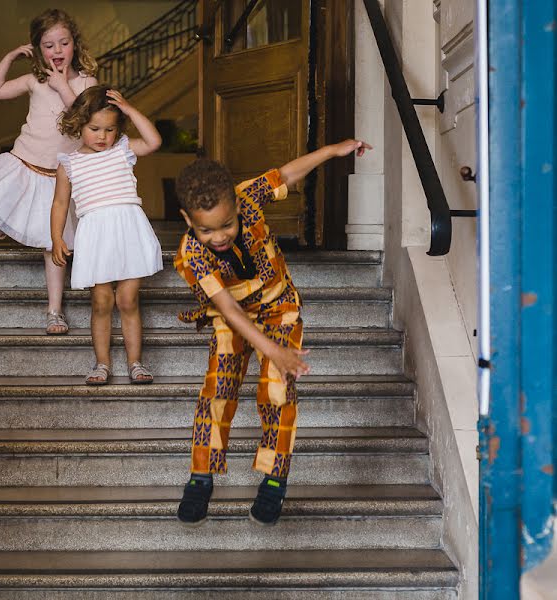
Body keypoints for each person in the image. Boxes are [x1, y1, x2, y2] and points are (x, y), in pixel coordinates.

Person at [173, 139, 372, 526]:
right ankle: (201, 477)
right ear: (187, 220)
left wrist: (332, 152)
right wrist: (272, 350)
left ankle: (275, 479)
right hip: (232, 318)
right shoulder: (190, 256)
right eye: (206, 229)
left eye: (227, 224)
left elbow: (288, 173)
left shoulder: (248, 198)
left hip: (279, 307)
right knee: (218, 389)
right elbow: (229, 311)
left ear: (236, 204)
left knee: (277, 390)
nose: (219, 237)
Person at [0, 8, 98, 335]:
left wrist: (63, 85)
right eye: (49, 45)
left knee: (54, 245)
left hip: (60, 179)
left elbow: (84, 116)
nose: (58, 51)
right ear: (38, 49)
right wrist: (9, 58)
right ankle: (6, 220)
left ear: (74, 44)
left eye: (64, 43)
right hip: (24, 164)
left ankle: (54, 312)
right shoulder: (35, 80)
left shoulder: (87, 82)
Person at [51, 85, 163, 385]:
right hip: (96, 237)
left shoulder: (123, 150)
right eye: (94, 128)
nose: (102, 136)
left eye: (110, 129)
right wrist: (57, 238)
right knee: (101, 302)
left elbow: (153, 142)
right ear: (79, 124)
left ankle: (135, 362)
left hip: (128, 231)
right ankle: (102, 364)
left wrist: (129, 109)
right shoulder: (69, 164)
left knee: (127, 299)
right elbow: (60, 203)